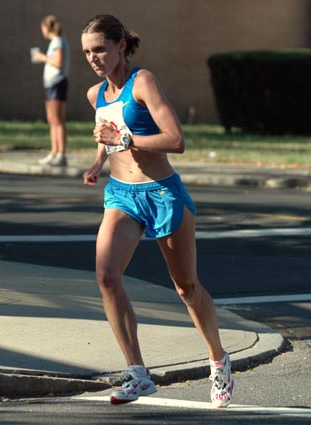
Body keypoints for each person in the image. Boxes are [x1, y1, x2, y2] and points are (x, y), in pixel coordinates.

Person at [80, 15, 233, 408]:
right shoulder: (95, 95)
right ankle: (137, 373)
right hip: (121, 196)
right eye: (87, 52)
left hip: (163, 194)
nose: (94, 58)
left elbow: (176, 140)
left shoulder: (143, 82)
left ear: (120, 46)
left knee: (187, 287)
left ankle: (218, 360)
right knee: (106, 275)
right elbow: (107, 132)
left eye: (99, 49)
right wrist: (99, 161)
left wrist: (125, 139)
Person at [34, 15, 70, 167]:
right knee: (52, 119)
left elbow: (58, 62)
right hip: (51, 84)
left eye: (42, 27)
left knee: (57, 120)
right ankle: (54, 152)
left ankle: (61, 155)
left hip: (57, 83)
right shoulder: (56, 42)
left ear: (47, 27)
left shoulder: (58, 41)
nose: (42, 30)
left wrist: (42, 57)